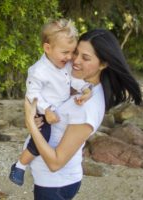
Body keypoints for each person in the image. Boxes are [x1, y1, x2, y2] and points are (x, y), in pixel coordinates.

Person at [23, 29, 142, 200]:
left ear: (103, 64)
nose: (75, 60)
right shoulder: (83, 87)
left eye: (85, 58)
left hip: (55, 184)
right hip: (52, 181)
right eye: (75, 53)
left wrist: (31, 125)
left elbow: (55, 163)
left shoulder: (87, 107)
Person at [9, 19, 92, 186]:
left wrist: (85, 88)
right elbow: (32, 94)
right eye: (65, 52)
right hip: (42, 109)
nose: (70, 57)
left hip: (58, 109)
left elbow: (73, 81)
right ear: (47, 48)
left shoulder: (66, 64)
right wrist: (46, 110)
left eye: (72, 52)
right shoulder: (38, 71)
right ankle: (19, 166)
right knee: (43, 136)